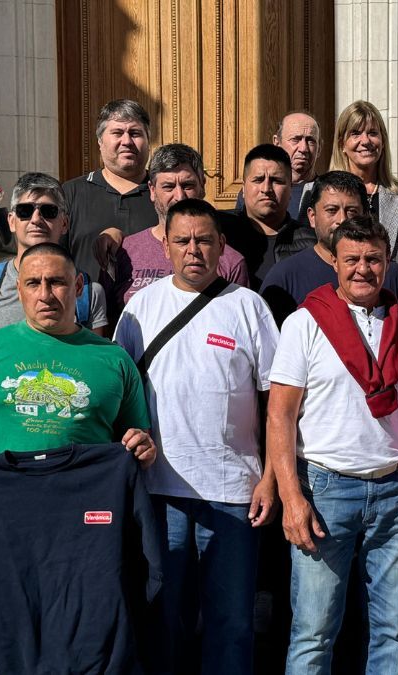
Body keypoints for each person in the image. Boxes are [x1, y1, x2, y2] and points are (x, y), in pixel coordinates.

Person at [267, 216, 398, 674]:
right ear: (335, 262)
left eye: (373, 259)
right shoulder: (305, 323)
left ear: (387, 262)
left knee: (389, 631)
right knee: (313, 633)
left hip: (397, 491)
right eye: (352, 259)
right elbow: (280, 415)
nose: (363, 269)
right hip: (325, 492)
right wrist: (291, 497)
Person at [114, 198, 279, 674]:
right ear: (165, 246)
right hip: (159, 492)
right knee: (165, 620)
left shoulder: (248, 306)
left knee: (231, 624)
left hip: (233, 492)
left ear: (222, 245)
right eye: (183, 240)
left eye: (204, 240)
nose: (194, 250)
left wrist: (271, 478)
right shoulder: (140, 308)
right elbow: (119, 393)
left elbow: (277, 405)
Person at [0, 241, 155, 485]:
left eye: (57, 282)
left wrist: (142, 447)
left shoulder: (115, 360)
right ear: (19, 290)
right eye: (33, 283)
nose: (45, 295)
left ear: (78, 286)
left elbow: (137, 435)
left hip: (84, 497)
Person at [0, 173, 108, 391]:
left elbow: (95, 368)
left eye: (48, 211)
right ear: (11, 221)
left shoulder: (87, 292)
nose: (36, 219)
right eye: (25, 211)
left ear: (65, 223)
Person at [105, 143, 247, 313]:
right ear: (152, 190)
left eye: (187, 185)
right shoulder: (123, 252)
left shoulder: (230, 261)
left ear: (202, 185)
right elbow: (105, 321)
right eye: (168, 187)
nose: (179, 196)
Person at [260, 172, 398, 325]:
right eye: (332, 210)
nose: (342, 219)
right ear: (312, 216)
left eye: (351, 211)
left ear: (365, 216)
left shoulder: (390, 275)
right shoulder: (285, 277)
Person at [63, 99, 158, 280]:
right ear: (100, 141)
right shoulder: (70, 193)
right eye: (117, 133)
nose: (127, 141)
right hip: (86, 297)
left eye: (135, 133)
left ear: (148, 140)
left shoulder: (164, 194)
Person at [328, 100, 398, 275]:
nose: (365, 141)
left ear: (383, 141)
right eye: (355, 133)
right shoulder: (321, 193)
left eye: (372, 133)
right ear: (342, 144)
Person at [220, 144, 315, 291]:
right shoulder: (219, 230)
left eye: (276, 180)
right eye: (258, 180)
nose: (266, 189)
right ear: (243, 189)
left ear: (291, 189)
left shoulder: (310, 244)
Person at [235, 111, 322, 220]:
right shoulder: (257, 190)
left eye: (311, 141)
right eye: (295, 139)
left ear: (319, 148)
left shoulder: (327, 193)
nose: (303, 148)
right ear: (277, 143)